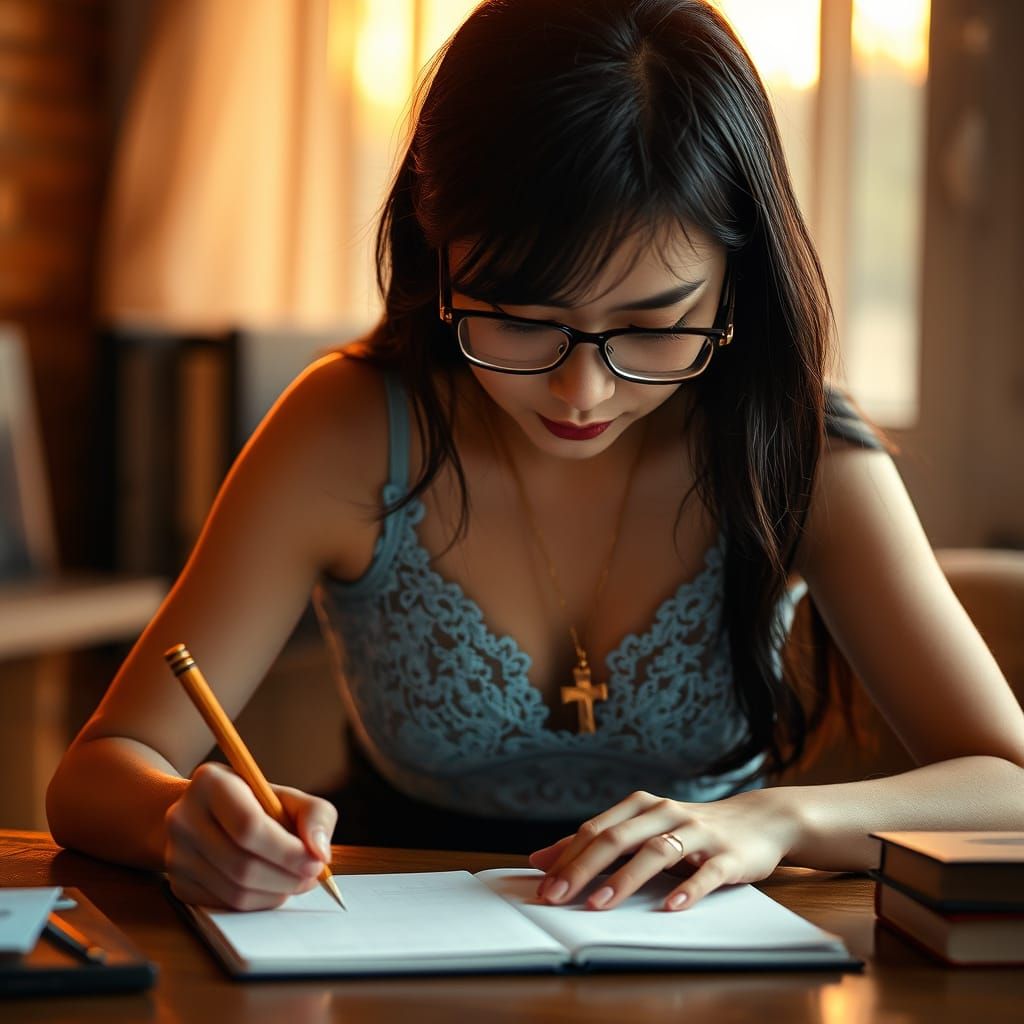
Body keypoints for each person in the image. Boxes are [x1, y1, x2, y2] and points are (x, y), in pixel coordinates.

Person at [48, 0, 1024, 914]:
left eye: (653, 324)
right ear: (437, 253)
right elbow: (100, 768)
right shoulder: (345, 431)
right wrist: (180, 820)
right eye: (519, 320)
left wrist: (776, 819)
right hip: (387, 935)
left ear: (738, 278)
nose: (581, 392)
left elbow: (1008, 782)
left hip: (713, 952)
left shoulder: (793, 448)